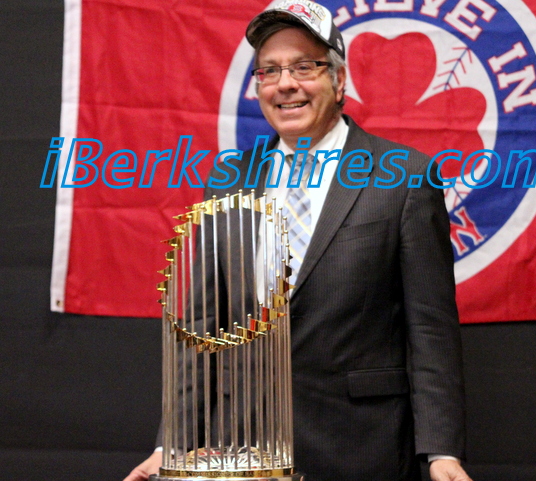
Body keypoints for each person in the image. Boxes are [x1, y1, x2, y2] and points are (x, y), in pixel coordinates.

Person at [125, 1, 471, 480]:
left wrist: (441, 452)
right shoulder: (228, 180)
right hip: (243, 448)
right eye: (269, 71)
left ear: (339, 80)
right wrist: (174, 443)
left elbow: (430, 330)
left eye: (304, 66)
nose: (285, 83)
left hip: (360, 446)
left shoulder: (406, 177)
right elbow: (202, 326)